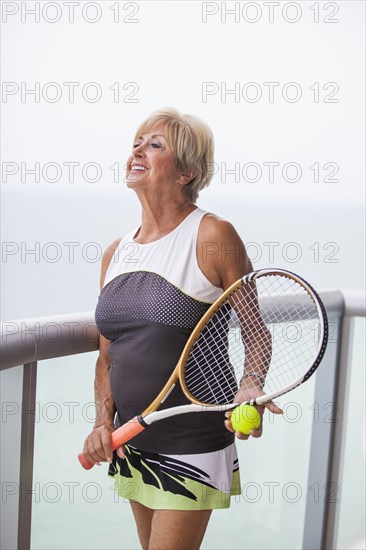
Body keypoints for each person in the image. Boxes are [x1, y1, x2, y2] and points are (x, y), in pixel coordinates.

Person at [82, 108, 282, 550]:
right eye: (137, 142)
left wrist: (251, 384)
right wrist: (101, 421)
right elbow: (107, 356)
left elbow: (256, 331)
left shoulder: (212, 235)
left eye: (155, 145)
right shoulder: (116, 252)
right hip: (132, 439)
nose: (138, 150)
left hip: (192, 440)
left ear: (187, 172)